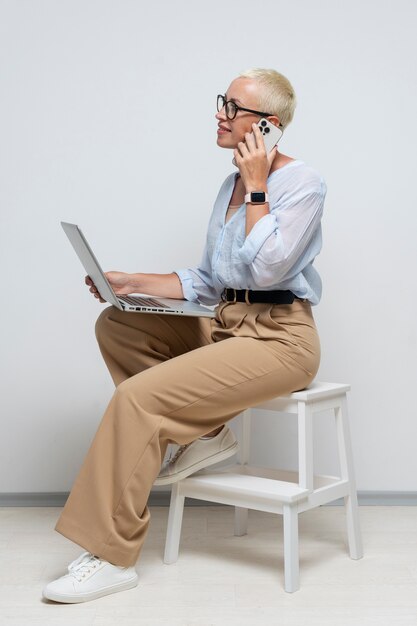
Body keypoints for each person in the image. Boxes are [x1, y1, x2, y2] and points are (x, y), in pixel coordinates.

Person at [43, 68, 326, 603]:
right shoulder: (228, 186)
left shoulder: (303, 184)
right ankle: (204, 435)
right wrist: (129, 281)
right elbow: (207, 279)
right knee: (119, 321)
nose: (219, 114)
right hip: (224, 322)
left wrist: (260, 185)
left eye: (232, 106)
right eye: (221, 102)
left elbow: (268, 272)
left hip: (280, 341)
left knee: (138, 400)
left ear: (267, 125)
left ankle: (111, 554)